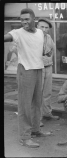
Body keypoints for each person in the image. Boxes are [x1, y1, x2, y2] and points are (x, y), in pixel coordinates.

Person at [4, 8, 51, 148]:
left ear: (33, 19)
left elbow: (42, 49)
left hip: (38, 69)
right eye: (22, 19)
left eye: (27, 19)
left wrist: (46, 51)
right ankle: (24, 137)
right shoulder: (17, 33)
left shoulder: (41, 33)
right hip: (25, 71)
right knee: (24, 105)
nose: (24, 21)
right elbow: (7, 37)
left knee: (37, 103)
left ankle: (35, 130)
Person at [37, 18, 60, 127]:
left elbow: (53, 50)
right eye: (42, 27)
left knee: (47, 92)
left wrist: (49, 61)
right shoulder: (33, 37)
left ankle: (47, 113)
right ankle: (37, 118)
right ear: (37, 26)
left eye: (46, 27)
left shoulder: (49, 37)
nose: (44, 29)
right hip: (37, 68)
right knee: (37, 93)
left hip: (48, 67)